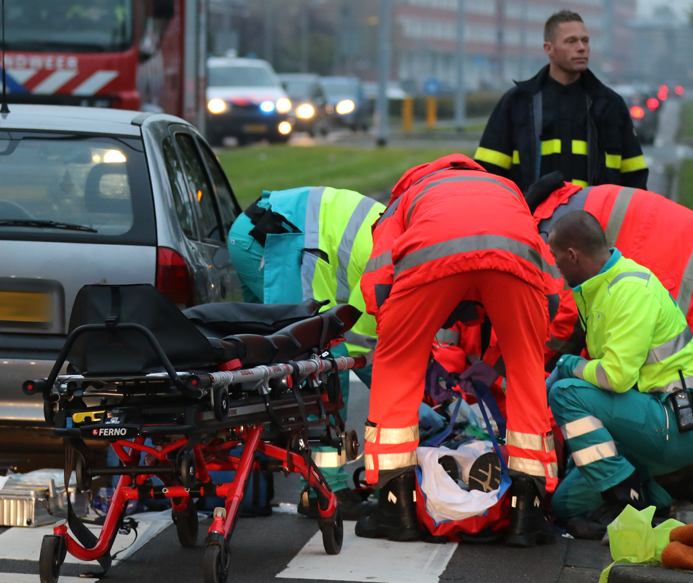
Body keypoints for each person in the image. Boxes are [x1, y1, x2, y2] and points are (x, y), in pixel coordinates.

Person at [355, 154, 558, 546]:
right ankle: (526, 516)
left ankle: (395, 510)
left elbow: (379, 278)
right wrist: (513, 352)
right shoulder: (508, 192)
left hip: (431, 258)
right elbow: (549, 291)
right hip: (513, 260)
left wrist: (403, 341)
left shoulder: (409, 196)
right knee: (527, 376)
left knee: (395, 371)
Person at [545, 211, 693, 540]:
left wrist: (566, 367)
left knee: (566, 391)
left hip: (679, 420)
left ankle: (627, 501)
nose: (556, 265)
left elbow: (616, 377)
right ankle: (673, 487)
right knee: (566, 504)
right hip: (650, 421)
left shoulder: (629, 291)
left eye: (556, 257)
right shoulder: (597, 289)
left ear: (573, 255)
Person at [228, 186, 383, 520]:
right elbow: (361, 348)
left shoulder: (393, 232)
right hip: (276, 240)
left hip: (260, 233)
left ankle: (253, 468)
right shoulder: (388, 267)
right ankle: (324, 488)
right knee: (323, 364)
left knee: (255, 358)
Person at [529, 174, 693, 364]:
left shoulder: (550, 231)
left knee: (660, 356)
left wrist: (537, 358)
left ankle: (672, 398)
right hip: (689, 243)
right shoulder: (566, 203)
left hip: (674, 256)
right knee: (664, 340)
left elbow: (568, 311)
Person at [475, 10, 648, 191]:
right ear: (548, 49)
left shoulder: (610, 105)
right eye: (571, 41)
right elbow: (489, 175)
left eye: (585, 40)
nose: (581, 47)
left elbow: (635, 179)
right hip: (532, 218)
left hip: (596, 218)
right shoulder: (517, 102)